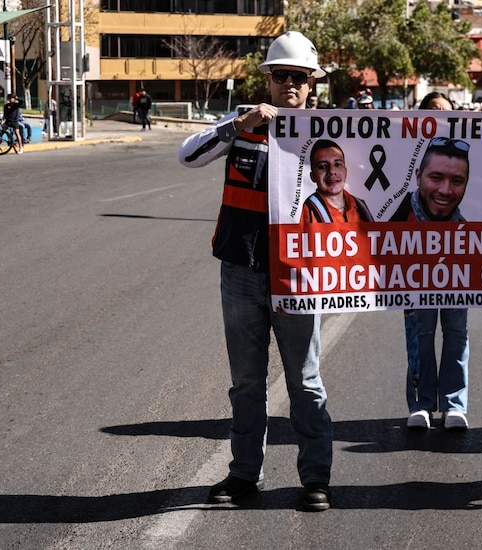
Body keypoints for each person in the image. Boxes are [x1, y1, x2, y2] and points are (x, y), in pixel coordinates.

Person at [177, 30, 334, 512]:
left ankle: (315, 479)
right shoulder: (241, 124)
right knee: (246, 382)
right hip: (241, 272)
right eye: (281, 75)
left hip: (299, 277)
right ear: (268, 80)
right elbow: (188, 155)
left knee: (304, 382)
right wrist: (236, 124)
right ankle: (245, 473)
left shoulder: (329, 136)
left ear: (312, 85)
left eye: (299, 78)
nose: (290, 84)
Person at [389, 132, 472, 432]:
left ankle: (454, 404)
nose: (445, 190)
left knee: (456, 335)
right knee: (420, 338)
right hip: (415, 289)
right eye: (436, 177)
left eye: (456, 181)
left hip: (456, 285)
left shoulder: (468, 221)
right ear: (418, 176)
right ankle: (421, 403)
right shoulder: (399, 215)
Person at [300, 139, 372, 223]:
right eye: (323, 166)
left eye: (337, 164)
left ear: (345, 171)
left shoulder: (361, 207)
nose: (331, 171)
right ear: (313, 176)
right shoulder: (305, 211)